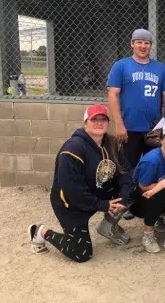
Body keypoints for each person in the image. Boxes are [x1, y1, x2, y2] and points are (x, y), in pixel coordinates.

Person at [27, 104, 138, 263]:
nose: (99, 123)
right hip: (71, 203)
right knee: (82, 253)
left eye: (103, 119)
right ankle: (41, 232)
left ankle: (108, 225)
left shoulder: (112, 143)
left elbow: (124, 172)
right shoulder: (73, 148)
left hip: (98, 191)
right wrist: (103, 205)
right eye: (94, 119)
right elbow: (73, 190)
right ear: (86, 123)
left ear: (108, 123)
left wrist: (125, 196)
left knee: (134, 189)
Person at [107, 28, 165, 170]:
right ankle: (126, 193)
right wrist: (119, 124)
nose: (143, 46)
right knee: (126, 168)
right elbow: (113, 95)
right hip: (129, 128)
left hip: (154, 129)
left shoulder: (160, 68)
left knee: (154, 167)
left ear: (151, 45)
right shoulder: (121, 66)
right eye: (139, 42)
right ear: (132, 44)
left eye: (147, 43)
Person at [128, 123, 165, 253]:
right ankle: (148, 235)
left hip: (162, 193)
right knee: (158, 192)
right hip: (139, 200)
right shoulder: (152, 160)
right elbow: (143, 186)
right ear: (161, 140)